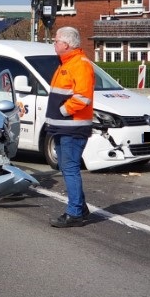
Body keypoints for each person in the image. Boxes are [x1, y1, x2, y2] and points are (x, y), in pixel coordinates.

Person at [45, 27, 95, 228]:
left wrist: (64, 111)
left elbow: (82, 97)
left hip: (72, 127)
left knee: (70, 169)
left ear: (66, 44)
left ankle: (74, 213)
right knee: (67, 168)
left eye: (56, 41)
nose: (54, 44)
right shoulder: (67, 63)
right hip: (63, 127)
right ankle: (80, 208)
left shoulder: (80, 64)